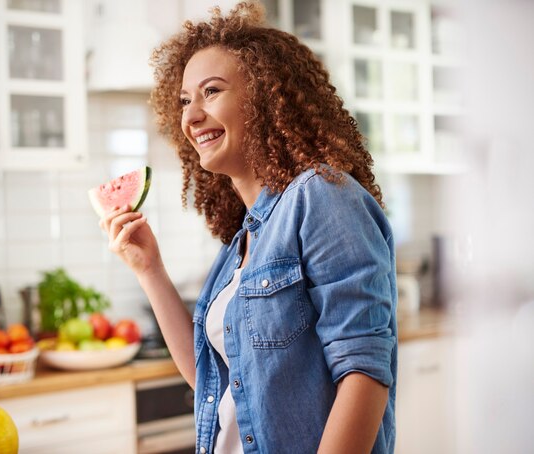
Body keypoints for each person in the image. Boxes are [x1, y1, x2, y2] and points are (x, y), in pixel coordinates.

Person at [99, 2, 397, 453]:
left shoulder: (322, 195)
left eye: (211, 92)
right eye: (184, 100)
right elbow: (213, 380)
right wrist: (149, 269)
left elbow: (364, 372)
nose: (191, 115)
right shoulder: (244, 237)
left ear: (265, 96)